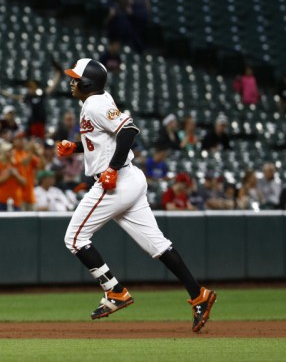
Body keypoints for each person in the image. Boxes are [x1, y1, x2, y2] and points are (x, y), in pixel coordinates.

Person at [57, 57, 215, 332]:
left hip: (116, 183)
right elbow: (102, 140)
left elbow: (129, 131)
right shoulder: (94, 102)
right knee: (158, 245)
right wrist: (76, 147)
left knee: (74, 238)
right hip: (130, 179)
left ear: (87, 82)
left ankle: (114, 291)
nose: (71, 82)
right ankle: (198, 294)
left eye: (75, 78)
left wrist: (113, 170)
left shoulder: (94, 104)